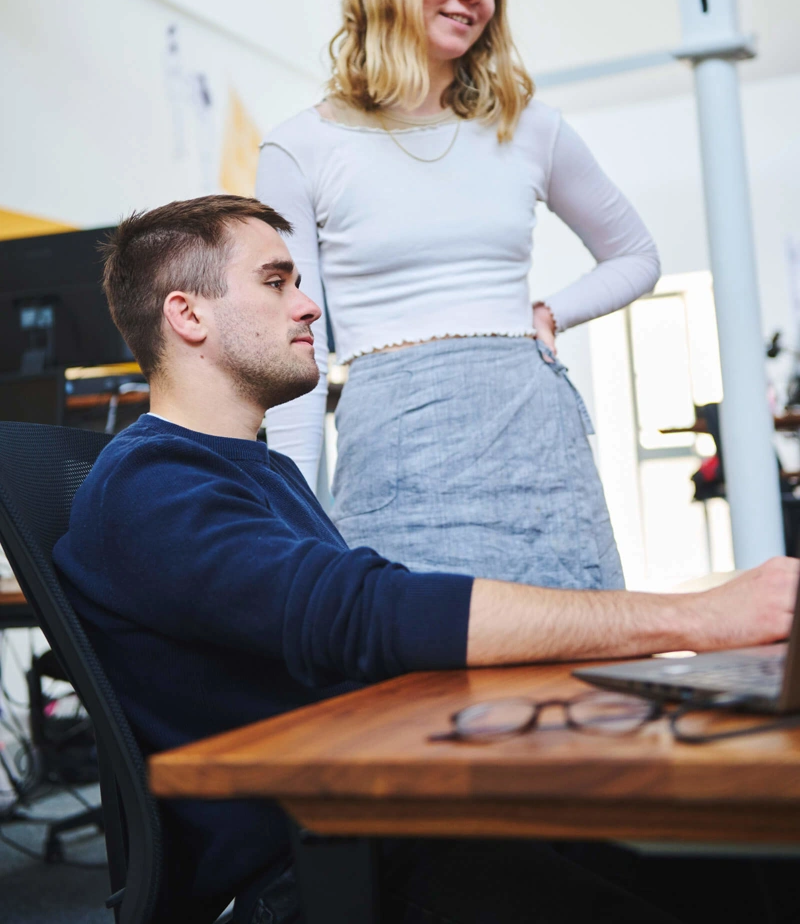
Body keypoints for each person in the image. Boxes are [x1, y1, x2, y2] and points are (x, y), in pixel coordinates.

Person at [54, 194, 798, 924]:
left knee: (741, 869)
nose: (309, 307)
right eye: (277, 283)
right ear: (188, 315)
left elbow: (357, 641)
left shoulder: (260, 469)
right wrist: (701, 617)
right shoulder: (152, 485)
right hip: (296, 872)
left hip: (373, 819)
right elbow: (365, 615)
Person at [256, 0, 660, 591]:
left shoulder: (529, 127)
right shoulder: (300, 148)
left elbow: (637, 256)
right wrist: (297, 511)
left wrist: (550, 312)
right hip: (394, 447)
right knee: (410, 670)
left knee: (574, 656)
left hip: (532, 435)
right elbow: (299, 349)